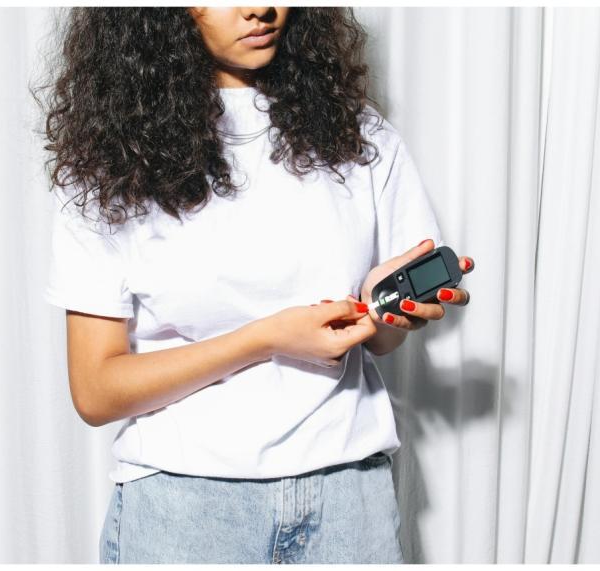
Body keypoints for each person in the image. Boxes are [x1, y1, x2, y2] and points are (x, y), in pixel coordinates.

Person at [36, 6, 474, 564]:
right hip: (186, 510)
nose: (260, 8)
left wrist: (381, 311)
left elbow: (382, 342)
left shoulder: (358, 134)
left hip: (347, 502)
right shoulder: (113, 161)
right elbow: (96, 391)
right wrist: (265, 340)